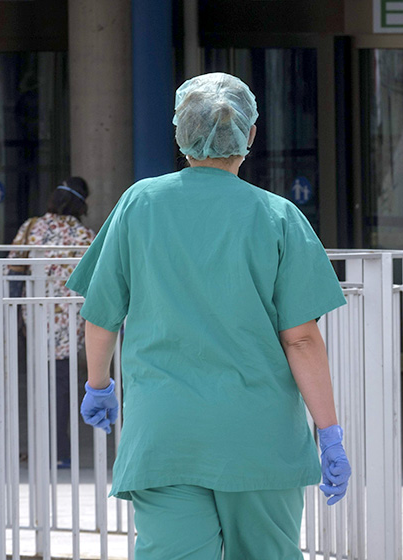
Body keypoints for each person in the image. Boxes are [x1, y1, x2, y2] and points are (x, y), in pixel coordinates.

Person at [67, 72, 351, 560]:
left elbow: (102, 315)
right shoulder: (279, 217)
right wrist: (328, 433)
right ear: (251, 135)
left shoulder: (140, 204)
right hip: (259, 439)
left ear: (181, 133)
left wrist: (99, 386)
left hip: (166, 436)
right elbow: (301, 339)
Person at [7, 176, 96, 466]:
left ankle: (42, 447)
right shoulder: (85, 236)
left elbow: (14, 268)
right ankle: (60, 451)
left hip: (34, 315)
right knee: (62, 384)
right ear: (80, 204)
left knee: (37, 381)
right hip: (70, 320)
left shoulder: (31, 227)